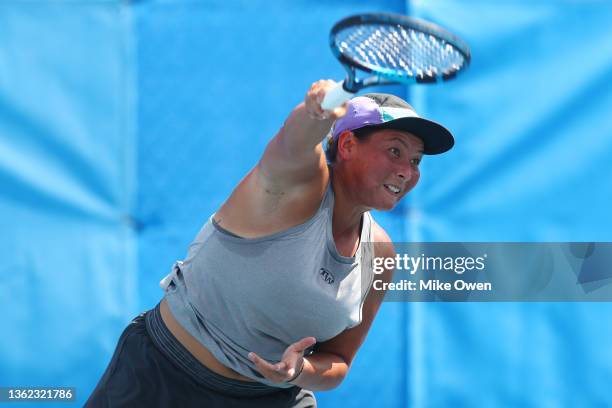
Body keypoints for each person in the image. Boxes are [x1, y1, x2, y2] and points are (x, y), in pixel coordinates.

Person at [85, 80, 454, 407]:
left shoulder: (382, 253)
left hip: (274, 398)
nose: (407, 170)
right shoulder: (295, 187)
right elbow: (294, 143)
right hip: (165, 375)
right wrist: (318, 110)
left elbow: (339, 361)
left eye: (416, 160)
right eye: (394, 150)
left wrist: (299, 371)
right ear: (347, 145)